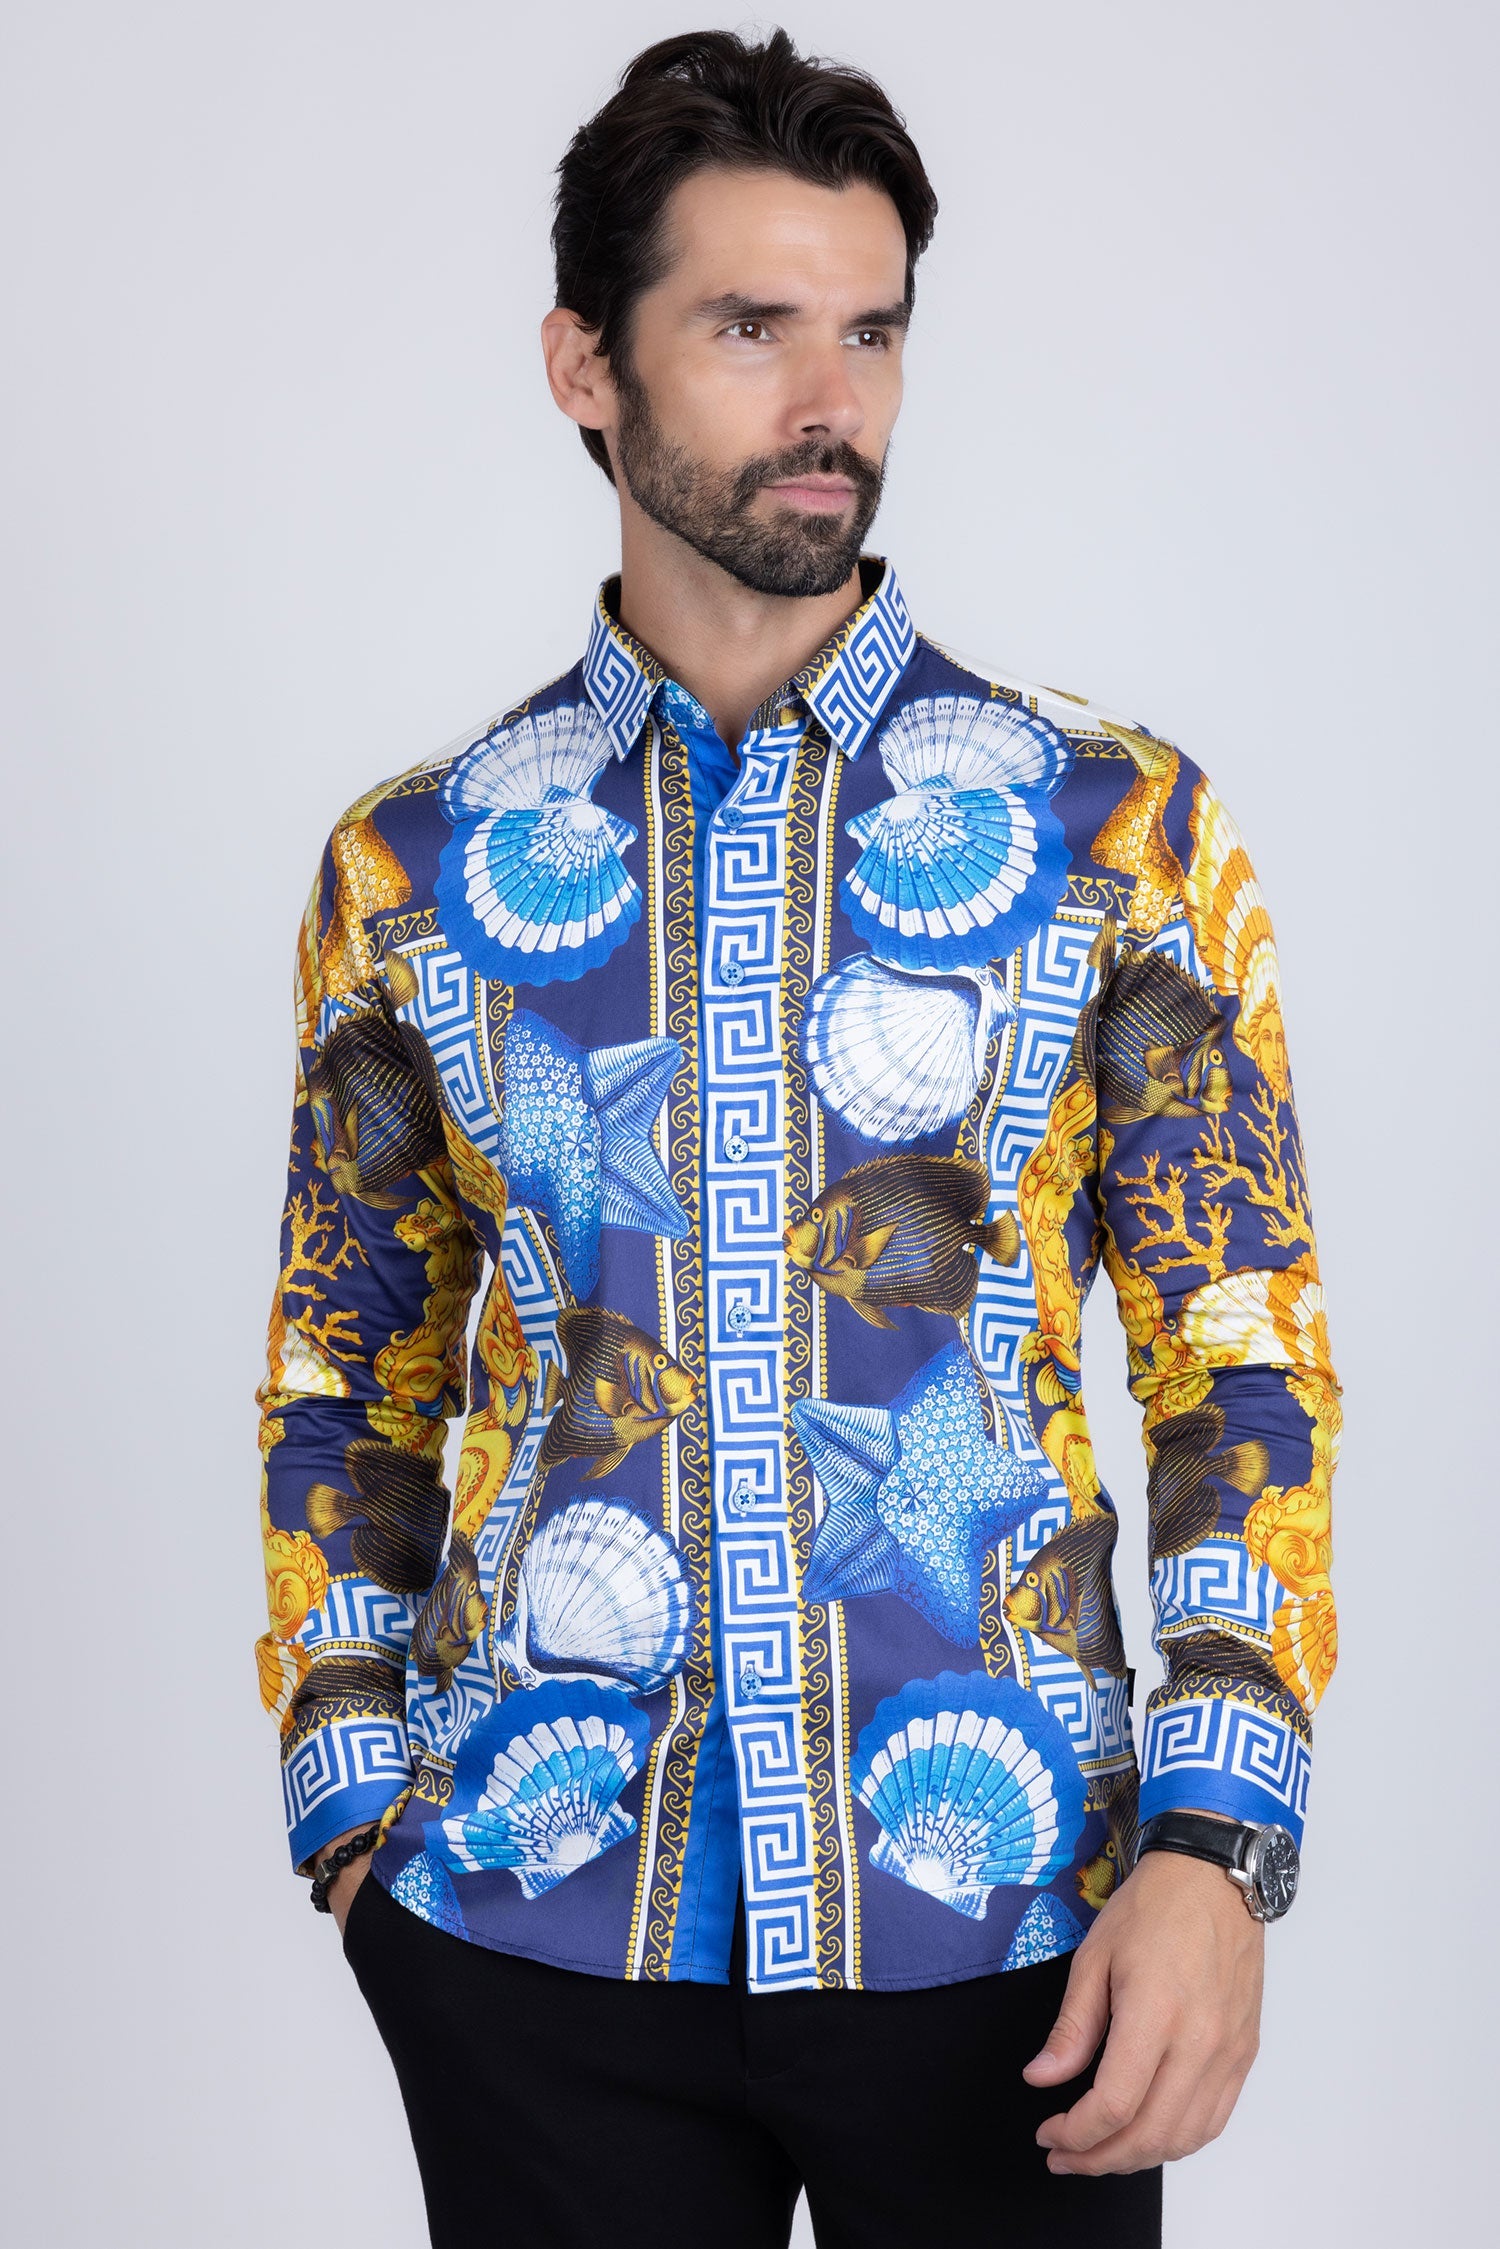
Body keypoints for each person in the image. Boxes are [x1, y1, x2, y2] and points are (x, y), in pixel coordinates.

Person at [254, 27, 1339, 2249]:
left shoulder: (1118, 833)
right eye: (752, 329)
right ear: (586, 363)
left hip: (1014, 1922)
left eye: (872, 330)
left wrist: (1218, 1848)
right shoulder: (411, 871)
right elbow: (343, 1375)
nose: (832, 399)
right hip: (534, 1927)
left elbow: (1239, 1359)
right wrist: (354, 1814)